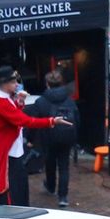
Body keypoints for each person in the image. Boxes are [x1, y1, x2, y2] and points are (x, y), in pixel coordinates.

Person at [0, 66, 69, 206]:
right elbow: (25, 121)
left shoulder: (5, 99)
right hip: (8, 152)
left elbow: (14, 117)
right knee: (11, 187)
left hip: (13, 150)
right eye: (13, 82)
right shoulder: (0, 102)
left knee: (19, 184)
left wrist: (19, 102)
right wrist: (51, 121)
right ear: (5, 84)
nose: (17, 85)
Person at [32, 70, 79, 207]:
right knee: (64, 166)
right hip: (67, 136)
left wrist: (30, 139)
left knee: (50, 162)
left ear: (47, 84)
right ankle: (63, 196)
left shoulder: (40, 101)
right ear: (61, 82)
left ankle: (51, 186)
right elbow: (77, 118)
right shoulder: (69, 100)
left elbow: (33, 121)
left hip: (48, 136)